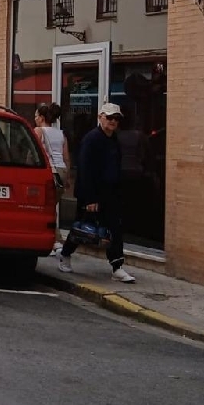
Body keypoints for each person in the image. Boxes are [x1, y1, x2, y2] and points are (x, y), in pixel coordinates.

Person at [58, 101, 135, 283]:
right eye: (109, 117)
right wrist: (90, 198)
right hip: (91, 193)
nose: (113, 121)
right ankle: (65, 254)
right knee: (82, 227)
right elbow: (85, 169)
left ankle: (117, 266)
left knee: (115, 228)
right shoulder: (91, 139)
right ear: (100, 117)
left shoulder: (114, 140)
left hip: (110, 193)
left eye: (116, 118)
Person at [33, 102, 69, 236]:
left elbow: (33, 152)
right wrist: (67, 177)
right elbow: (66, 158)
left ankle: (51, 236)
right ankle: (55, 236)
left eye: (36, 116)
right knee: (52, 206)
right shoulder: (61, 134)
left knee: (43, 207)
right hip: (61, 171)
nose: (35, 119)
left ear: (42, 117)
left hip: (48, 172)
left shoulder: (38, 131)